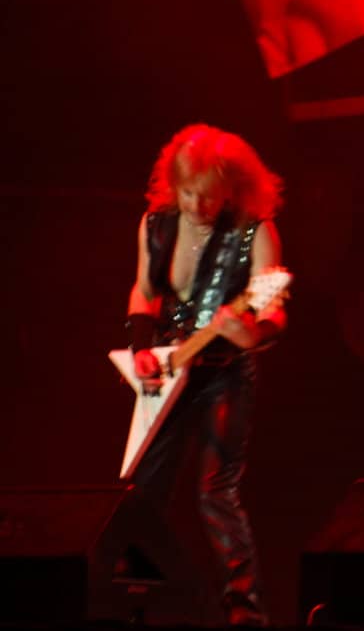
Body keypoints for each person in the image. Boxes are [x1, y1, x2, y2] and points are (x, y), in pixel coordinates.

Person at [125, 124, 286, 626]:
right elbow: (144, 290)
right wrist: (140, 350)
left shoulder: (254, 232)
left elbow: (274, 309)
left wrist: (251, 333)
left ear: (231, 190)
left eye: (209, 196)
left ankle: (244, 610)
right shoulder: (156, 223)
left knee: (216, 489)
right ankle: (140, 602)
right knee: (140, 492)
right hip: (165, 374)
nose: (196, 205)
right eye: (188, 192)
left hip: (225, 372)